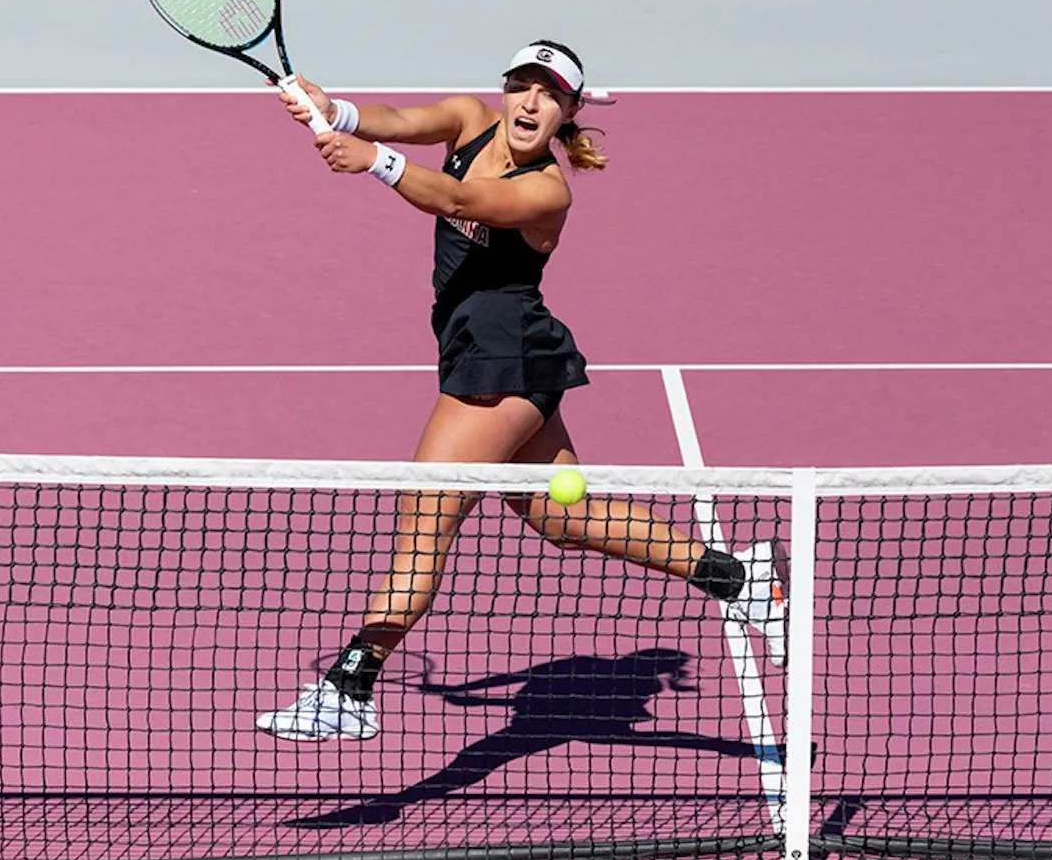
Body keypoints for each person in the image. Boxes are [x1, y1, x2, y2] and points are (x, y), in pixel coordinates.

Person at [257, 41, 788, 742]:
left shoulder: (547, 190)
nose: (530, 102)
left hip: (499, 368)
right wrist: (337, 111)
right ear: (505, 90)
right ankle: (737, 578)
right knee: (563, 518)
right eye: (522, 86)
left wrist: (375, 163)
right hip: (506, 355)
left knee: (424, 524)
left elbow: (458, 197)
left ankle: (349, 686)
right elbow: (392, 118)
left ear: (567, 113)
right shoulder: (465, 118)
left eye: (549, 94)